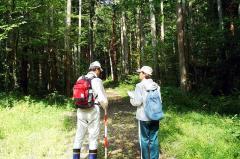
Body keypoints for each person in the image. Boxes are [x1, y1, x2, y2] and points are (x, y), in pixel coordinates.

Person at [72, 61, 108, 159]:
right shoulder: (97, 80)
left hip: (80, 110)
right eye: (99, 70)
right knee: (93, 137)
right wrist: (105, 107)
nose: (99, 72)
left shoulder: (80, 78)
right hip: (93, 110)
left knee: (79, 136)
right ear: (96, 69)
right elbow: (102, 99)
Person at [128, 66, 162, 159]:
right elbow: (160, 101)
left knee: (144, 139)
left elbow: (137, 102)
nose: (139, 74)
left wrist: (131, 97)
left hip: (143, 117)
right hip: (155, 116)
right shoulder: (156, 86)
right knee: (154, 139)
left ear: (144, 74)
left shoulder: (139, 86)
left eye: (140, 72)